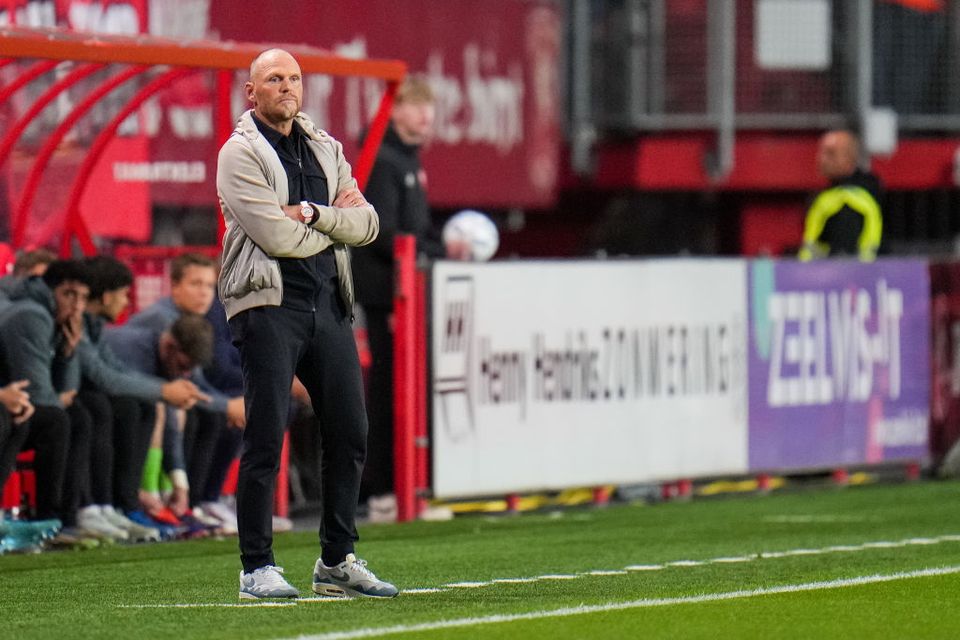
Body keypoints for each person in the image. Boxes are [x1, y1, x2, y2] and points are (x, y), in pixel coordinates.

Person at [217, 48, 396, 600]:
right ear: (252, 92)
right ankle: (256, 568)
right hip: (268, 304)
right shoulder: (238, 153)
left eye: (294, 78)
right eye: (274, 79)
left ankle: (336, 561)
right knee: (266, 433)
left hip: (328, 302)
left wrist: (316, 215)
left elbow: (368, 226)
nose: (287, 87)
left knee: (350, 429)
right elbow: (275, 237)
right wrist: (334, 224)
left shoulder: (326, 146)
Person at [351, 74, 462, 521]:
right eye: (417, 105)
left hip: (409, 291)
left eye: (429, 107)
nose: (426, 116)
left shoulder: (409, 161)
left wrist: (434, 248)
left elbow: (413, 231)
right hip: (388, 294)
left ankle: (408, 487)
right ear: (393, 111)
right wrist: (440, 251)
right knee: (389, 391)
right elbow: (380, 233)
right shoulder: (383, 160)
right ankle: (383, 492)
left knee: (408, 390)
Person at [77, 255, 210, 538]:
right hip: (74, 399)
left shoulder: (94, 326)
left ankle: (125, 506)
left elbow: (114, 370)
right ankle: (96, 506)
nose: (127, 303)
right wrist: (163, 391)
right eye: (125, 295)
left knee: (140, 407)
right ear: (107, 296)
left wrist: (163, 392)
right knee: (102, 409)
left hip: (87, 397)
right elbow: (105, 378)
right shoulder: (152, 325)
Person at [799, 130, 883, 262]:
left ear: (850, 157)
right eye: (821, 152)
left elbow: (843, 256)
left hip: (847, 278)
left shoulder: (848, 201)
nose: (821, 159)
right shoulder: (831, 195)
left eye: (831, 153)